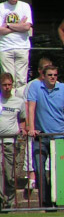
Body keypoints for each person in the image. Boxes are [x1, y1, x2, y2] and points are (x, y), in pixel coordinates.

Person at [27, 64, 64, 208]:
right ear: (43, 75)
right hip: (41, 136)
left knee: (57, 171)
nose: (53, 77)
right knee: (40, 170)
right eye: (50, 75)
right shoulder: (35, 86)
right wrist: (31, 128)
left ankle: (58, 201)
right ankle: (45, 203)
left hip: (58, 136)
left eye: (55, 75)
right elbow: (31, 107)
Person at [20, 57, 52, 196]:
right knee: (31, 150)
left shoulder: (56, 84)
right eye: (45, 69)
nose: (49, 73)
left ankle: (49, 179)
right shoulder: (32, 85)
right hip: (34, 124)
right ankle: (31, 178)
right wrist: (28, 124)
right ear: (40, 70)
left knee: (48, 156)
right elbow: (27, 105)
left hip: (49, 126)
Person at [0, 73, 26, 208]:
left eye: (9, 85)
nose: (7, 87)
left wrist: (22, 130)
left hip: (11, 141)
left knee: (9, 175)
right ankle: (1, 201)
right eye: (4, 85)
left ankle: (9, 201)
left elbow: (22, 120)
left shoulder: (18, 102)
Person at [0, 0, 33, 89]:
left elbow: (27, 27)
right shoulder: (1, 7)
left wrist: (8, 25)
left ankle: (20, 104)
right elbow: (0, 30)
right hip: (5, 48)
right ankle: (9, 104)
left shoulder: (25, 6)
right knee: (8, 80)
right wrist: (19, 25)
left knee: (22, 81)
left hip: (22, 47)